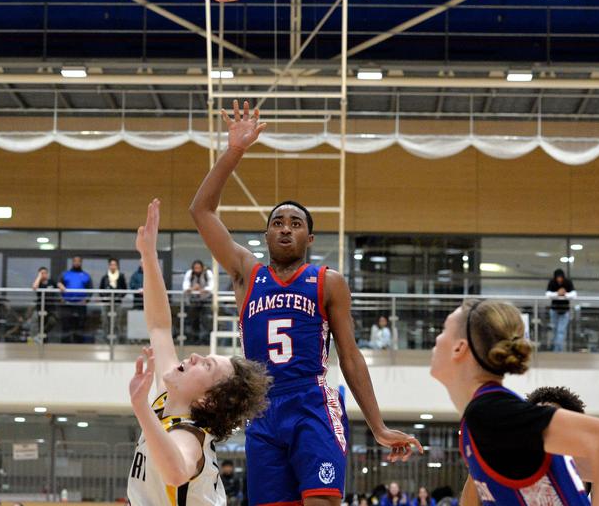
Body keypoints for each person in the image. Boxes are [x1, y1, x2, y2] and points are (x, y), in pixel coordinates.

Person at [190, 100, 421, 505]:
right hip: (261, 411)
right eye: (277, 222)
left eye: (295, 224)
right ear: (265, 235)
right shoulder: (247, 273)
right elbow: (201, 210)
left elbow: (350, 357)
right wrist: (234, 151)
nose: (285, 229)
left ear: (308, 240)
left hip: (311, 403)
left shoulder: (327, 283)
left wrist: (378, 426)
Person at [432, 299, 599, 506]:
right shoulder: (487, 417)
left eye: (443, 331)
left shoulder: (489, 411)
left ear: (459, 348)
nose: (436, 339)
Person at [127, 198, 271, 506]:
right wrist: (149, 257)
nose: (192, 357)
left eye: (204, 366)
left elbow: (177, 472)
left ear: (206, 399)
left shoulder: (189, 435)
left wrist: (140, 408)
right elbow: (160, 327)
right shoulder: (165, 401)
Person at [59, 256, 93, 343]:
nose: (77, 263)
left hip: (80, 304)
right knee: (66, 325)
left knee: (80, 325)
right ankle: (65, 345)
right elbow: (59, 286)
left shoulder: (86, 275)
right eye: (75, 261)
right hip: (67, 304)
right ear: (72, 262)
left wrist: (87, 300)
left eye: (79, 261)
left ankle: (79, 345)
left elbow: (90, 289)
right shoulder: (65, 274)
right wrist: (61, 297)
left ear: (81, 263)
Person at [182, 260, 214, 344]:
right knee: (193, 320)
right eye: (195, 268)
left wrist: (203, 290)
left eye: (199, 268)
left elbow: (211, 286)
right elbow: (185, 286)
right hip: (194, 300)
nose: (197, 270)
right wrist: (193, 289)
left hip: (206, 300)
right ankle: (194, 340)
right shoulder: (190, 273)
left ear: (202, 267)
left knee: (206, 320)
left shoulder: (208, 273)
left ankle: (206, 340)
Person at [545, 268, 576, 352]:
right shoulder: (552, 282)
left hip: (565, 310)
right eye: (558, 277)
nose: (559, 279)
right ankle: (556, 349)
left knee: (561, 331)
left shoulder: (568, 282)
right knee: (555, 330)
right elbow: (547, 295)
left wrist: (565, 294)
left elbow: (574, 294)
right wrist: (557, 294)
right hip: (554, 310)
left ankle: (559, 350)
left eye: (560, 277)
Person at [32, 267, 60, 342]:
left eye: (45, 273)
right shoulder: (38, 282)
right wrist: (39, 277)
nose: (44, 274)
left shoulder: (51, 281)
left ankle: (39, 335)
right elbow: (34, 287)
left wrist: (60, 285)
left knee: (52, 321)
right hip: (41, 307)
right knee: (41, 324)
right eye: (42, 273)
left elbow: (60, 286)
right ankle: (42, 343)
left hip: (51, 307)